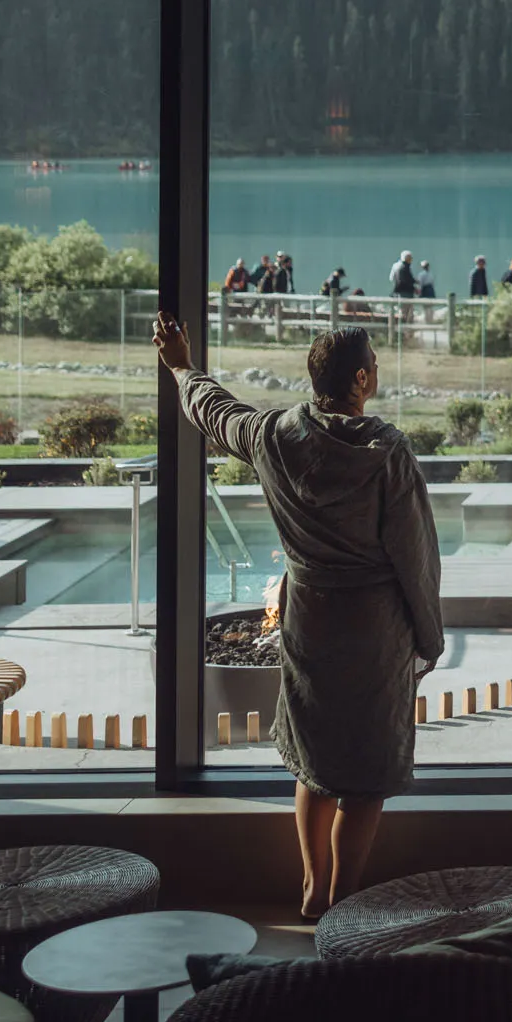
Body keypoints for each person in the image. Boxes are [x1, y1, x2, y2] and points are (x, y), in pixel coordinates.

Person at [152, 311, 441, 918]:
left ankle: (312, 889)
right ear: (361, 379)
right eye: (376, 365)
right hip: (374, 629)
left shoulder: (273, 436)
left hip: (308, 615)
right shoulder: (385, 451)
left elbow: (216, 411)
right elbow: (415, 556)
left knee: (314, 758)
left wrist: (181, 365)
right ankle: (346, 895)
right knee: (365, 771)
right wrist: (429, 636)